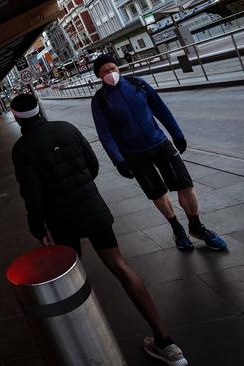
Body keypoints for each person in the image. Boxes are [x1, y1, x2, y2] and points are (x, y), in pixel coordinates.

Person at [10, 93, 188, 366]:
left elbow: (31, 193)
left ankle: (87, 350)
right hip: (92, 208)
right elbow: (91, 166)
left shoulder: (22, 149)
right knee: (119, 265)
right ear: (40, 109)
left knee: (72, 281)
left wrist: (38, 226)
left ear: (15, 116)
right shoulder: (67, 128)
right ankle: (166, 343)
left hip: (61, 219)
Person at [90, 54, 226, 251]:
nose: (111, 73)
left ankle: (196, 226)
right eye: (105, 71)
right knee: (157, 193)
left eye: (113, 68)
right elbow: (105, 134)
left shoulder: (138, 84)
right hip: (134, 155)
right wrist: (118, 160)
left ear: (118, 68)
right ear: (98, 76)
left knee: (185, 185)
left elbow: (161, 109)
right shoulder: (100, 101)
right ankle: (177, 229)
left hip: (160, 144)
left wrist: (177, 134)